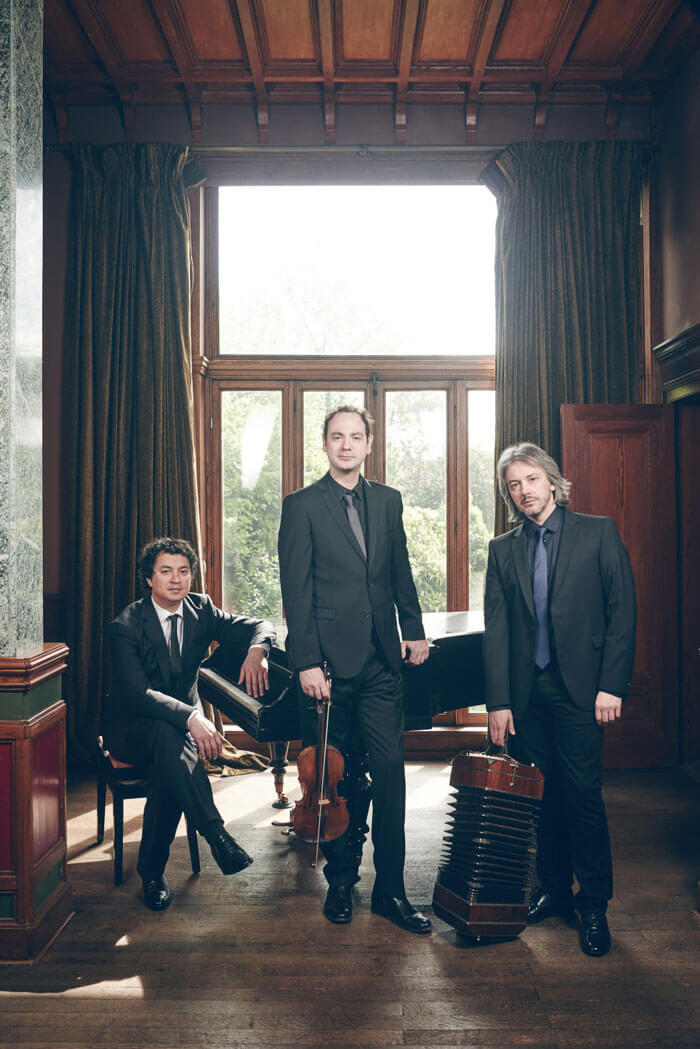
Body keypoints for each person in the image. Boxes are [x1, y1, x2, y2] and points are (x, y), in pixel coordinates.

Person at [278, 406, 432, 933]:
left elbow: (400, 570)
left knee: (389, 775)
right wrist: (305, 662)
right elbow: (296, 591)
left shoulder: (388, 501)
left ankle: (391, 890)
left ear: (369, 443)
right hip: (327, 668)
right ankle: (341, 883)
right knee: (333, 778)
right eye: (337, 436)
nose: (346, 444)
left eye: (356, 436)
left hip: (382, 662)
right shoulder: (301, 505)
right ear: (324, 444)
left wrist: (413, 628)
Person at [484, 443, 636, 957]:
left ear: (552, 480)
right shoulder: (502, 549)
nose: (524, 491)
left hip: (583, 691)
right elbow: (497, 631)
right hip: (527, 694)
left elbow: (622, 612)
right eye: (513, 485)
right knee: (540, 797)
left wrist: (612, 684)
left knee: (583, 797)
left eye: (531, 479)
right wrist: (498, 701)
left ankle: (593, 904)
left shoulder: (598, 532)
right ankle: (552, 888)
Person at [104, 536, 276, 911]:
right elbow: (138, 695)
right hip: (130, 728)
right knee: (168, 736)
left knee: (169, 761)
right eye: (166, 571)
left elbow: (260, 625)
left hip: (174, 733)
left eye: (183, 571)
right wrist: (192, 716)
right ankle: (216, 835)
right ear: (148, 578)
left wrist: (258, 651)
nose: (176, 579)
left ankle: (153, 874)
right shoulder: (126, 625)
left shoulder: (201, 609)